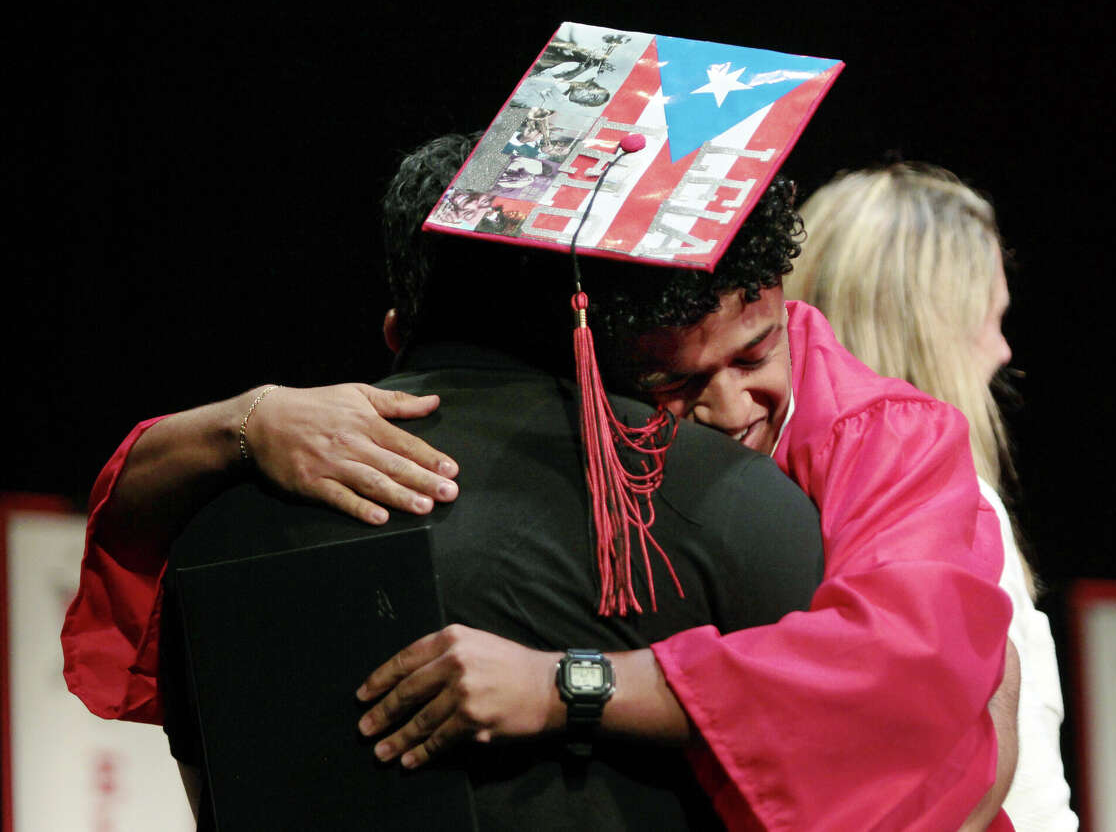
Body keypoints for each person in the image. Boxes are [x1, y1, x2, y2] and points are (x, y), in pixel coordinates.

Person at [147, 133, 829, 830]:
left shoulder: (212, 527)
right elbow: (830, 761)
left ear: (395, 324)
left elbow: (214, 805)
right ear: (600, 306)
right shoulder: (741, 503)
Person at [785, 161, 1077, 830]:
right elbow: (1027, 795)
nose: (1004, 350)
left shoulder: (765, 499)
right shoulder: (954, 514)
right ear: (931, 327)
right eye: (992, 318)